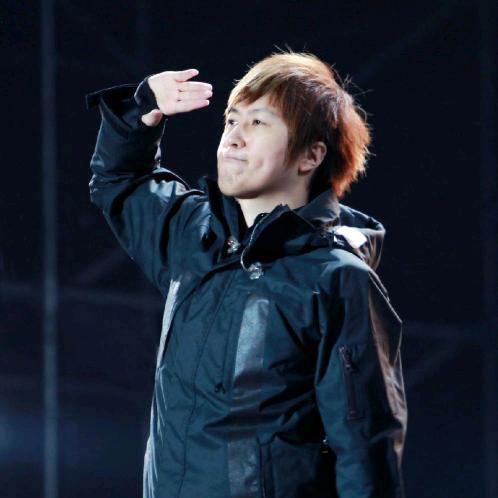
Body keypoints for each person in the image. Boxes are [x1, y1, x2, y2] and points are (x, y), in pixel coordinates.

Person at [85, 51, 407, 498]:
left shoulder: (337, 279)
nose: (233, 138)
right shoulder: (194, 238)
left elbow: (365, 452)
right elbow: (118, 181)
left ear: (311, 156)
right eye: (231, 120)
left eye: (258, 123)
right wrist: (142, 108)